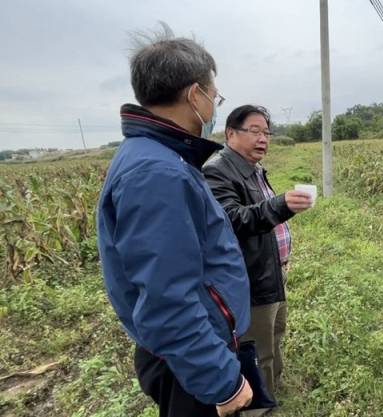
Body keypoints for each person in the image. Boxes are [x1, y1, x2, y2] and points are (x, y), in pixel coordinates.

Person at [96, 23, 252, 417]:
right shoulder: (157, 172)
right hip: (190, 365)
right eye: (214, 95)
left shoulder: (157, 158)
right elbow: (167, 300)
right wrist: (223, 381)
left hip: (190, 354)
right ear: (195, 94)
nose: (214, 106)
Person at [202, 105, 313, 412]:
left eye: (266, 132)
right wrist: (281, 205)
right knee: (256, 348)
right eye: (255, 131)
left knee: (275, 333)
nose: (263, 138)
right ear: (230, 133)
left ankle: (273, 386)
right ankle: (258, 406)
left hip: (271, 271)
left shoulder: (252, 168)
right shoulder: (218, 170)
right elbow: (234, 220)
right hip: (249, 279)